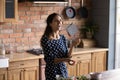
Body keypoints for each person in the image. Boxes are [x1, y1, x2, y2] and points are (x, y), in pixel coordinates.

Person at [40, 13, 80, 80]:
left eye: (60, 21)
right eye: (56, 21)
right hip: (52, 72)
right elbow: (50, 60)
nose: (59, 23)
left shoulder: (62, 38)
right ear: (50, 24)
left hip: (63, 70)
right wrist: (66, 60)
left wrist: (72, 45)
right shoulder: (45, 39)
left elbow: (67, 56)